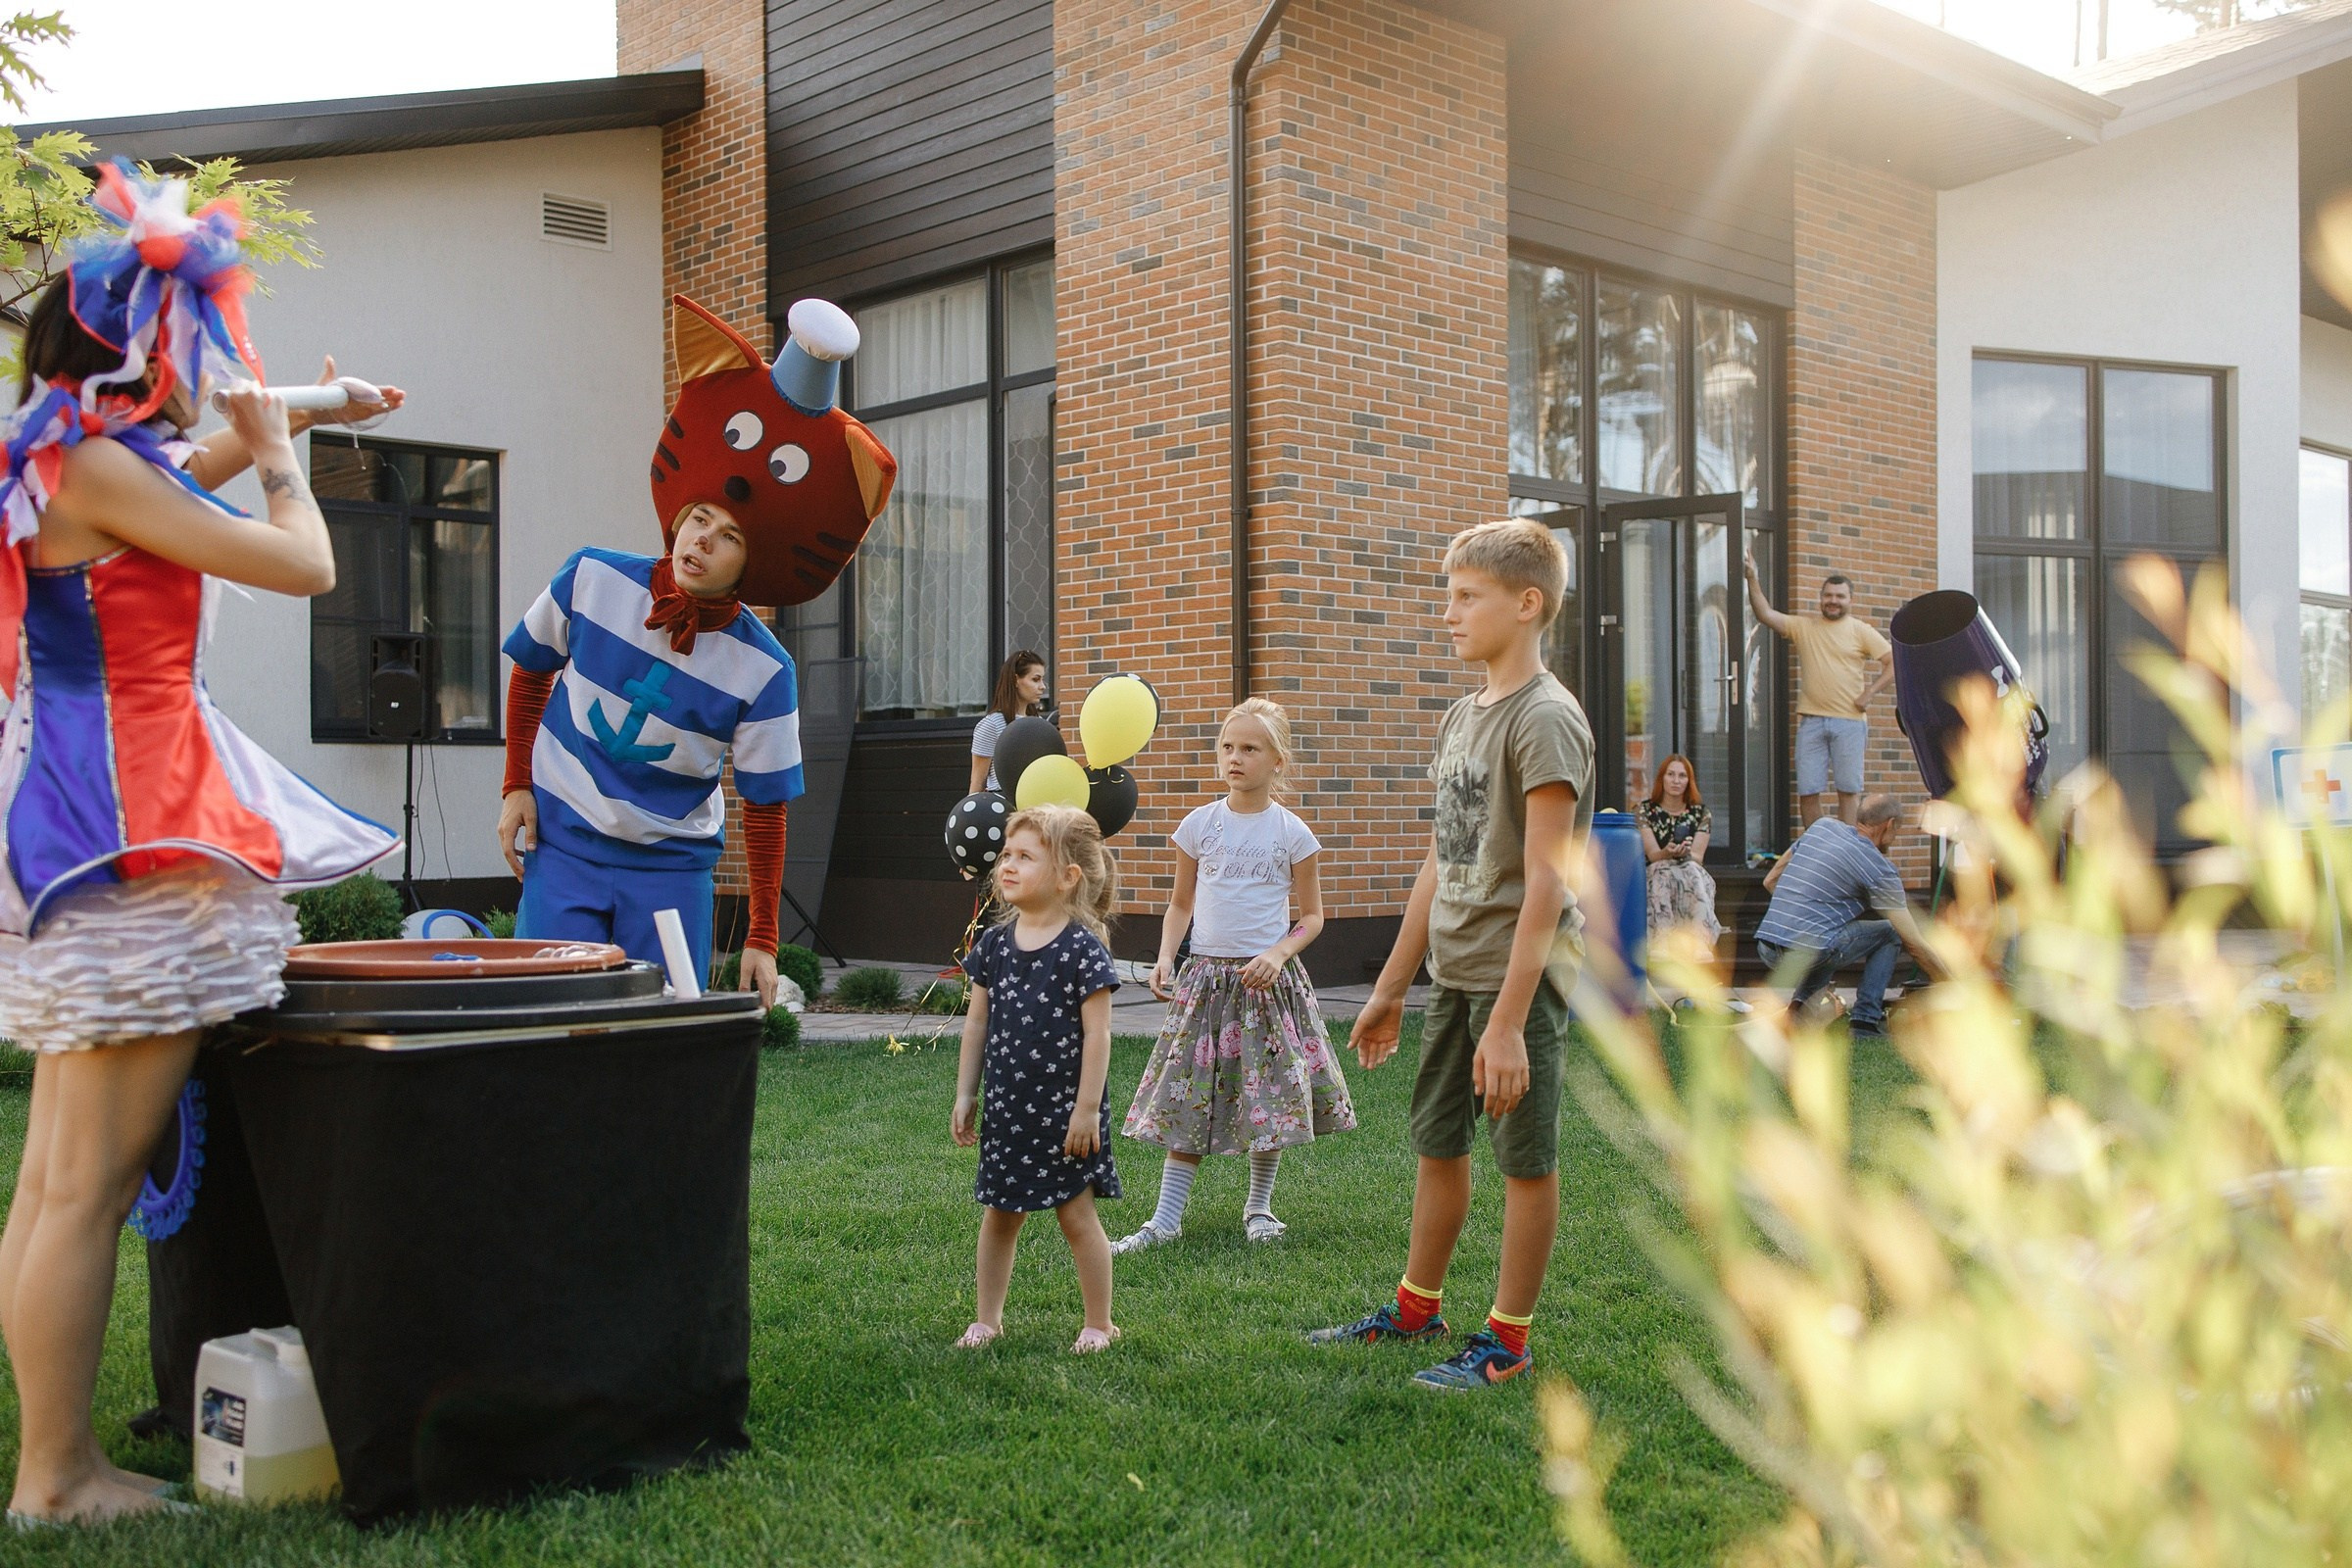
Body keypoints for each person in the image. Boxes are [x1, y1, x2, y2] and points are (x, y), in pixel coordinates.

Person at [0, 165, 402, 1524]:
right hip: (138, 832)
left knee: (60, 1182)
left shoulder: (68, 457)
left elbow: (204, 455)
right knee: (82, 1187)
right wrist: (295, 466)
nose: (201, 378)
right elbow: (299, 562)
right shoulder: (107, 469)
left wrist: (316, 408)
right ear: (142, 356)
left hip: (94, 823)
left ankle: (53, 1465)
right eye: (186, 355)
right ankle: (56, 1479)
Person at [497, 294, 896, 1006]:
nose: (704, 540)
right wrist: (515, 785)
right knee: (546, 1023)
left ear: (754, 561)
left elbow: (766, 807)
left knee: (665, 1041)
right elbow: (531, 670)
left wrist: (764, 938)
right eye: (700, 519)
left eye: (730, 536)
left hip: (671, 870)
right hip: (565, 846)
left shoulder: (764, 669)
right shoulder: (590, 578)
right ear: (679, 516)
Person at [1311, 517, 1593, 1392]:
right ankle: (1416, 1306)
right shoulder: (1464, 717)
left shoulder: (1545, 721)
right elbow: (1442, 860)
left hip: (1523, 981)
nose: (1448, 614)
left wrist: (1507, 1024)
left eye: (1465, 597)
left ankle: (1507, 1341)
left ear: (1527, 602)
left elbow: (1546, 883)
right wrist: (1394, 987)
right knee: (1440, 1146)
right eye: (1450, 595)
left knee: (1524, 1162)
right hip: (1458, 973)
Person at [1113, 698, 1354, 1253]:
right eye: (1227, 747)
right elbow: (1179, 904)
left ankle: (1260, 1209)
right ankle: (1165, 1221)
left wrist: (1278, 954)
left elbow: (1312, 917)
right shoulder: (1199, 825)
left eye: (1249, 748)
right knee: (1189, 1095)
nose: (1234, 757)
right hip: (1205, 984)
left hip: (1264, 986)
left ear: (1278, 761)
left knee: (1266, 1098)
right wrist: (1167, 956)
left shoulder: (1293, 832)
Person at [951, 805, 1123, 1353]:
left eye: (1025, 856)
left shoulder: (1082, 951)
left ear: (1068, 876)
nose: (1008, 864)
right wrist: (965, 1092)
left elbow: (1099, 1037)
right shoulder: (994, 946)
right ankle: (987, 1320)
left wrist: (1087, 1109)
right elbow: (976, 1023)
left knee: (1076, 1217)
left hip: (1067, 1114)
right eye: (1006, 854)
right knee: (1000, 1216)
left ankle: (1099, 1323)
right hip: (1009, 1110)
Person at [1755, 793, 1944, 1039]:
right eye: (1896, 831)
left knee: (1822, 932)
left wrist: (1798, 912)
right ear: (1889, 825)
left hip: (1767, 944)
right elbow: (1914, 943)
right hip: (1808, 950)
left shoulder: (1822, 827)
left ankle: (1798, 1012)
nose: (1894, 838)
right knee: (1889, 932)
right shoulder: (1879, 868)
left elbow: (1770, 880)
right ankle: (1865, 1022)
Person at [1743, 554, 1891, 827]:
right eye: (1828, 596)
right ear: (1821, 598)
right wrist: (1753, 577)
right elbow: (1765, 614)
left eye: (1840, 596)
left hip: (1849, 723)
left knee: (1848, 792)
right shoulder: (1804, 627)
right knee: (1808, 791)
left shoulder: (1861, 631)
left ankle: (1843, 850)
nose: (1833, 601)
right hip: (1811, 722)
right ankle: (1819, 847)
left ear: (1850, 600)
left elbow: (1893, 663)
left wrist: (1869, 693)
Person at [1639, 753, 1720, 951]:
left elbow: (1698, 858)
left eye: (1682, 776)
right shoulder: (1645, 811)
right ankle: (1662, 941)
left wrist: (1684, 853)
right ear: (1662, 778)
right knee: (1661, 871)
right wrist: (1667, 852)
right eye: (1671, 774)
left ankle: (1700, 941)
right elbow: (1652, 854)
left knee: (1692, 870)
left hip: (1688, 870)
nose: (1676, 781)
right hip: (1656, 870)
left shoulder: (1701, 813)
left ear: (1689, 781)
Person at [969, 650, 1048, 793]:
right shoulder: (991, 725)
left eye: (1042, 679)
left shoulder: (1040, 724)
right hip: (1003, 807)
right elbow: (977, 780)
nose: (1043, 686)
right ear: (1015, 680)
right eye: (1035, 679)